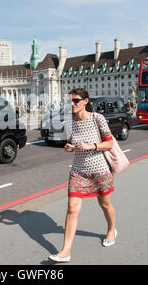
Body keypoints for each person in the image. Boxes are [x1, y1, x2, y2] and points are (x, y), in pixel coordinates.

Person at [49, 87, 115, 263]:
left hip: (99, 170)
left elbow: (109, 144)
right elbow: (69, 143)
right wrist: (68, 147)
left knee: (105, 204)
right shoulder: (70, 122)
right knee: (72, 208)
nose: (72, 104)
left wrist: (91, 146)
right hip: (78, 171)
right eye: (70, 101)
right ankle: (65, 251)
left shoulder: (97, 118)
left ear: (86, 101)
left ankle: (111, 230)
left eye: (75, 100)